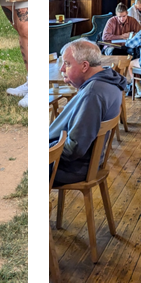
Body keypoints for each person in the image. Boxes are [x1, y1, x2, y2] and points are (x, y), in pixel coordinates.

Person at [51, 40, 128, 185]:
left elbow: (75, 148)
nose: (62, 69)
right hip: (88, 160)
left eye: (67, 64)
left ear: (85, 66)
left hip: (72, 167)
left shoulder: (93, 93)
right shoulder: (109, 80)